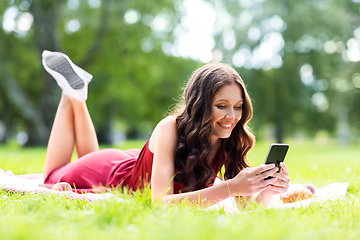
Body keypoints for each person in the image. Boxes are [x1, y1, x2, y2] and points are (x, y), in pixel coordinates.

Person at [41, 50, 290, 207]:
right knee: (51, 177)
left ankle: (76, 92)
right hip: (109, 172)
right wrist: (230, 187)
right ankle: (71, 94)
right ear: (200, 105)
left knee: (85, 157)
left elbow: (247, 209)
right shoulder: (169, 127)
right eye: (222, 106)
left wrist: (267, 189)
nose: (232, 116)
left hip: (133, 163)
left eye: (237, 106)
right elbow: (161, 204)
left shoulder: (229, 139)